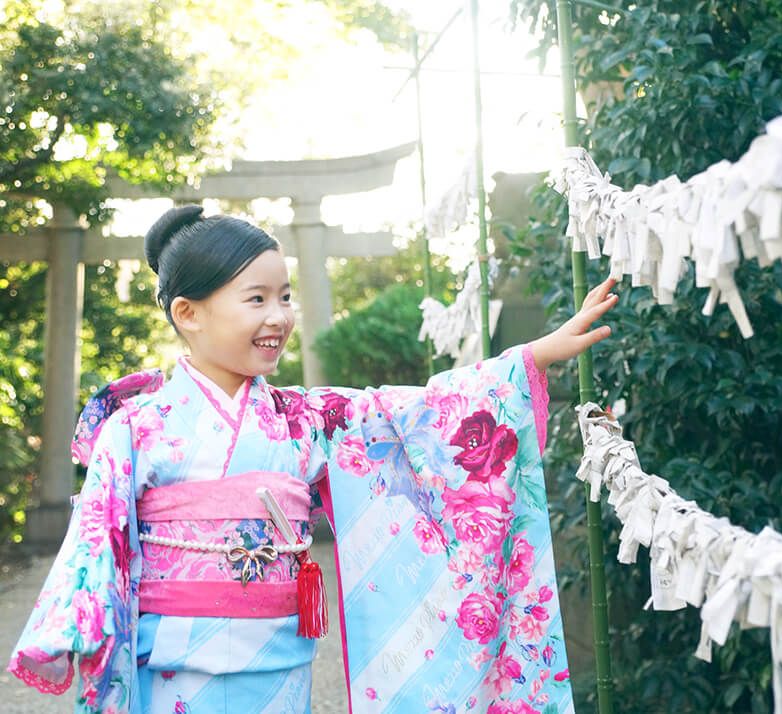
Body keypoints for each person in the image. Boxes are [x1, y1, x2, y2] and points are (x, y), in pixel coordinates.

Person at [7, 205, 618, 714]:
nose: (279, 317)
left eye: (285, 296)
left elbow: (416, 413)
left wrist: (532, 357)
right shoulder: (137, 427)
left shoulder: (306, 419)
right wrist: (72, 627)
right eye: (256, 298)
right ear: (187, 313)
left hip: (280, 660)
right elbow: (96, 538)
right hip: (171, 661)